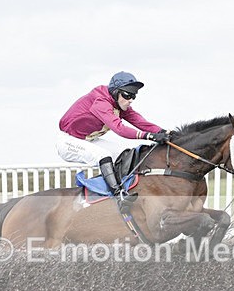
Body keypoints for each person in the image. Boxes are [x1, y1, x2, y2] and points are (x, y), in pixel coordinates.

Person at [56, 71, 169, 201]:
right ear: (115, 92)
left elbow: (139, 121)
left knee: (123, 153)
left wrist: (163, 132)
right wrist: (149, 136)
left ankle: (125, 188)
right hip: (68, 141)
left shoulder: (118, 103)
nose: (130, 100)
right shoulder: (101, 102)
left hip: (88, 140)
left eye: (133, 96)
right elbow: (119, 129)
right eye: (127, 95)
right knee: (103, 156)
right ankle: (117, 195)